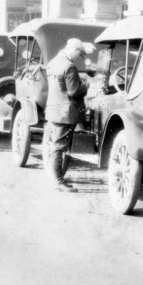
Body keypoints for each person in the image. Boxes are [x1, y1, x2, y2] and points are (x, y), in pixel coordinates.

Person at [44, 37, 95, 191]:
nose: (79, 59)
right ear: (74, 50)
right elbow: (74, 92)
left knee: (56, 145)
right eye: (79, 55)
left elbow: (59, 88)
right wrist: (86, 84)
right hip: (66, 114)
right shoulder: (69, 66)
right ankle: (58, 182)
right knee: (59, 147)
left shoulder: (53, 63)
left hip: (54, 110)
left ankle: (56, 179)